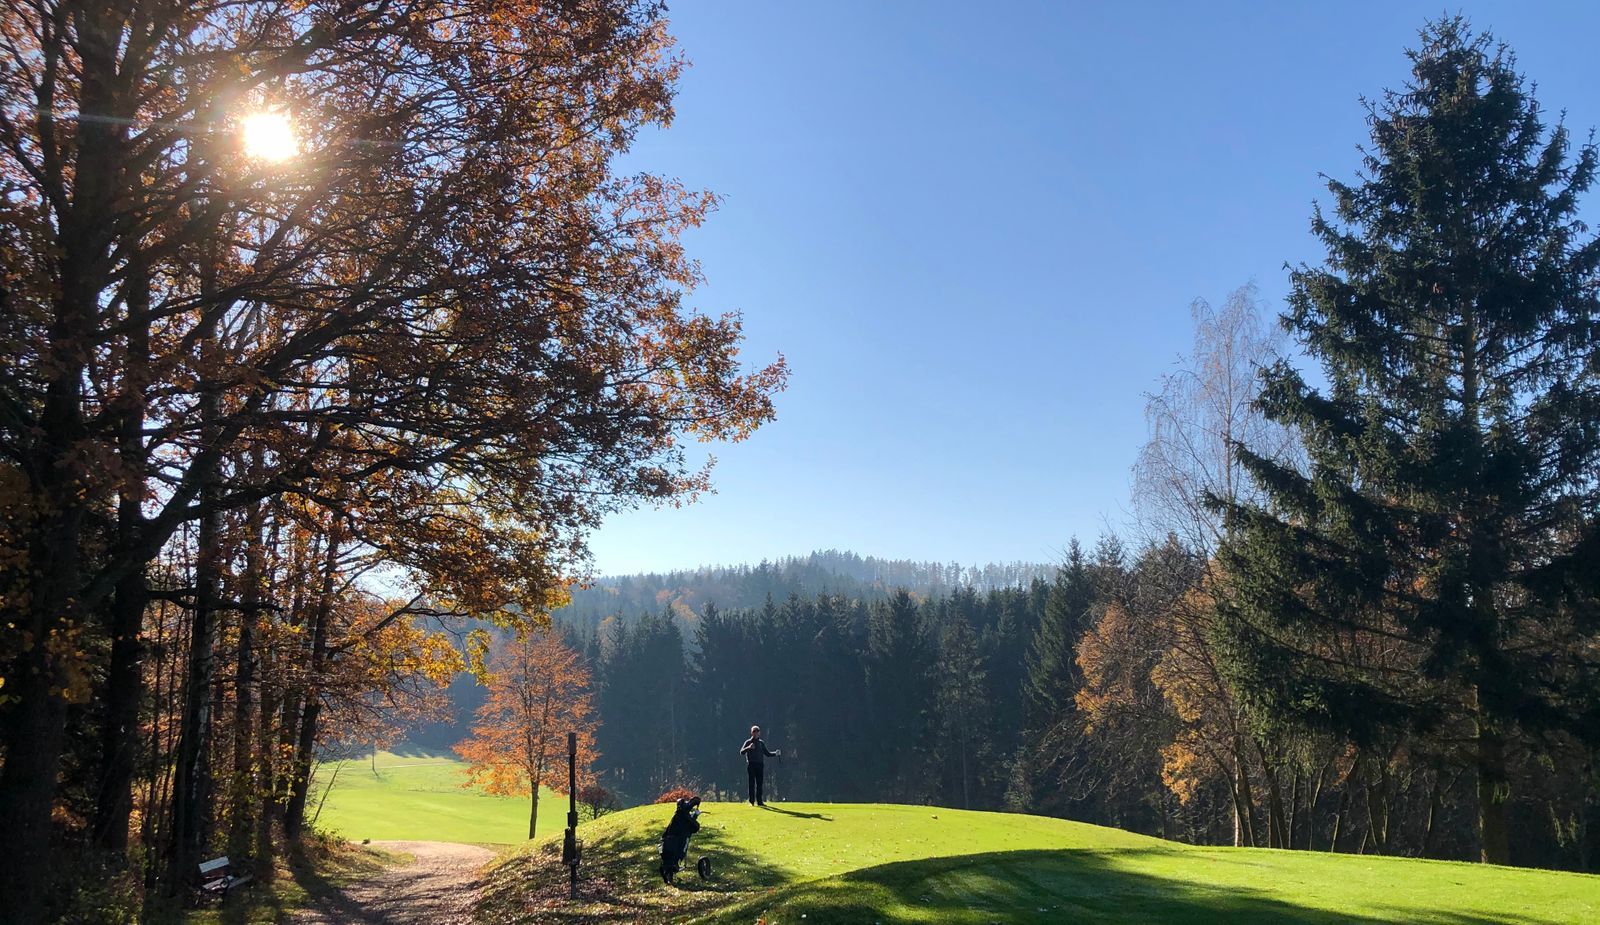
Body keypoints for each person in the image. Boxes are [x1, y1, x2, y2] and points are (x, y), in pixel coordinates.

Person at [659, 796, 701, 884]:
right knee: (678, 854)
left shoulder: (677, 816)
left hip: (668, 842)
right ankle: (673, 866)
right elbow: (695, 827)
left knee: (669, 858)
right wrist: (696, 815)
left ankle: (668, 870)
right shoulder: (685, 816)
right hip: (680, 843)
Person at [739, 725, 780, 806]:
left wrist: (775, 753)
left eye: (757, 732)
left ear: (759, 733)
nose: (756, 734)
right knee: (751, 783)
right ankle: (751, 802)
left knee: (759, 784)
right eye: (754, 732)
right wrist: (749, 747)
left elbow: (767, 753)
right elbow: (741, 752)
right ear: (751, 733)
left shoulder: (761, 743)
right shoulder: (748, 742)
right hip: (751, 764)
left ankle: (760, 802)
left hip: (760, 765)